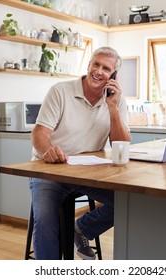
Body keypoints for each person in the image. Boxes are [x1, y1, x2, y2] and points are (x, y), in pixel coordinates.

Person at [29, 46, 131, 260]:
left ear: (113, 75)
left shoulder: (117, 100)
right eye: (96, 64)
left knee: (130, 201)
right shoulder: (60, 91)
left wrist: (112, 108)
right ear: (88, 65)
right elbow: (39, 133)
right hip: (50, 170)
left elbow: (121, 145)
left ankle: (82, 228)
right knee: (46, 219)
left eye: (106, 68)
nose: (98, 71)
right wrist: (48, 151)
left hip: (88, 171)